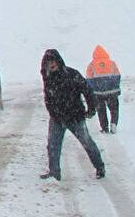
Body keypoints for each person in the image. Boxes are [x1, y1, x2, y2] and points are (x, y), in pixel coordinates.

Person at [40, 48, 105, 181]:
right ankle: (54, 173)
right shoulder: (47, 77)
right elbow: (48, 97)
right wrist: (52, 111)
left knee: (87, 143)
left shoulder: (72, 74)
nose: (51, 64)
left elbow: (87, 90)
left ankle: (100, 167)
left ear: (58, 61)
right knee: (53, 145)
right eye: (48, 62)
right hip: (56, 118)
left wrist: (91, 108)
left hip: (75, 117)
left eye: (53, 61)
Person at [84, 45, 121, 134]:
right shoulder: (112, 63)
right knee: (114, 109)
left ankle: (104, 128)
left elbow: (88, 80)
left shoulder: (91, 65)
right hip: (112, 91)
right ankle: (114, 123)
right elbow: (117, 76)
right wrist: (116, 88)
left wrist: (92, 91)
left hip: (97, 93)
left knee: (101, 110)